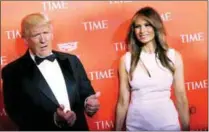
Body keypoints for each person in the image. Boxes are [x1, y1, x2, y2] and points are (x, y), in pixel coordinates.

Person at [2, 12, 100, 130]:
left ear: (52, 34)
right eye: (36, 35)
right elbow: (17, 113)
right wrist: (54, 119)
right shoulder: (12, 72)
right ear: (25, 39)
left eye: (46, 33)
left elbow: (86, 93)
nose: (43, 40)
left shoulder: (71, 60)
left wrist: (89, 104)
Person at [115, 7, 190, 131]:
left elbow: (181, 97)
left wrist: (187, 128)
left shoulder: (173, 56)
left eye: (147, 25)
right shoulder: (126, 60)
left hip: (168, 124)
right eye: (137, 26)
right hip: (136, 126)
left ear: (156, 26)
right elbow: (123, 101)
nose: (142, 30)